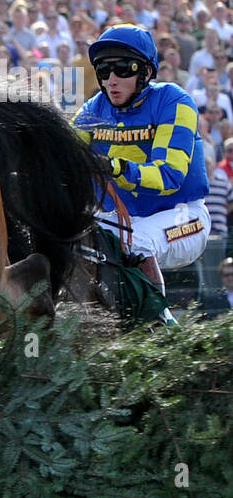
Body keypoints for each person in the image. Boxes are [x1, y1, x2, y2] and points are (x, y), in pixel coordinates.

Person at [72, 25, 210, 325]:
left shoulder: (174, 101)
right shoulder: (92, 110)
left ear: (146, 72)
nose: (112, 80)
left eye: (123, 69)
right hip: (123, 221)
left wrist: (117, 167)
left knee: (136, 244)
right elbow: (62, 158)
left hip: (183, 217)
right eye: (104, 71)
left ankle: (159, 323)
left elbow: (169, 176)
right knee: (71, 238)